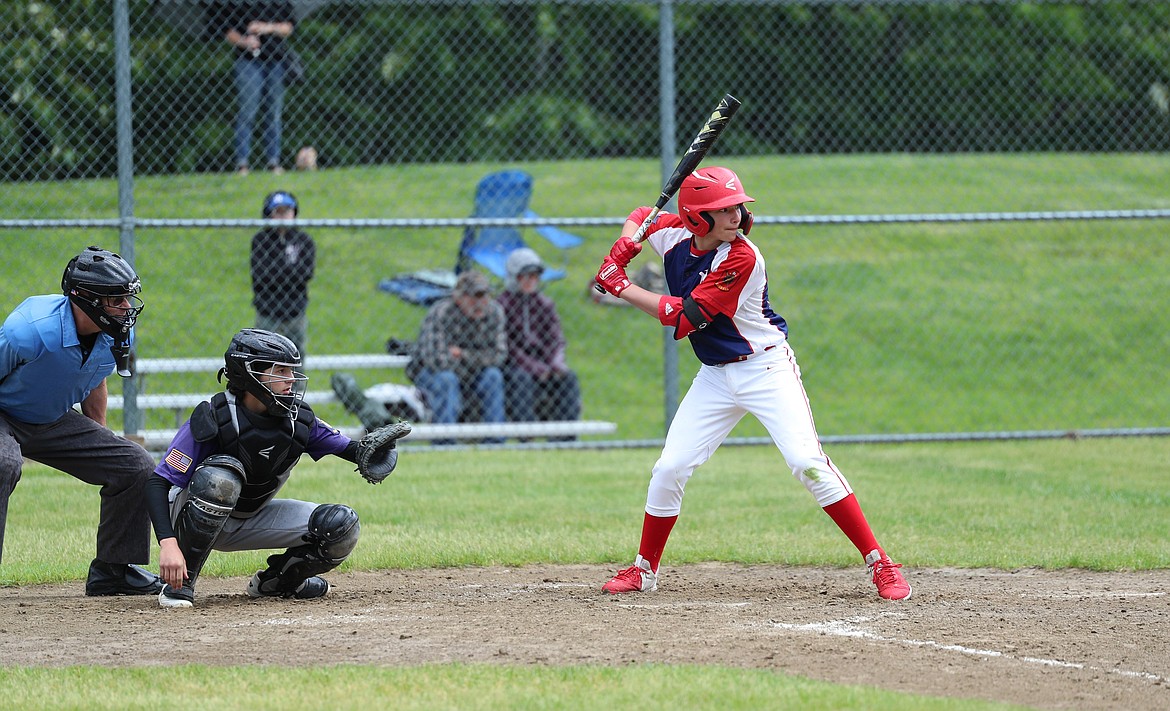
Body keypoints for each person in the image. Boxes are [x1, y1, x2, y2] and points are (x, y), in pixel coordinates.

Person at [594, 166, 912, 601]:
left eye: (737, 207)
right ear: (695, 219)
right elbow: (642, 212)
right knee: (669, 467)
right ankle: (644, 568)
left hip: (766, 370)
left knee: (807, 462)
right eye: (723, 210)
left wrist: (622, 286)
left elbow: (685, 316)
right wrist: (629, 238)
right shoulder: (672, 235)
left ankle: (881, 563)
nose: (736, 215)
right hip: (716, 377)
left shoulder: (742, 257)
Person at [146, 328, 409, 609]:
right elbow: (157, 484)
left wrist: (375, 453)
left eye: (291, 371)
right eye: (281, 371)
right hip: (190, 514)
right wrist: (168, 544)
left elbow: (353, 451)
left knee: (341, 526)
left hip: (250, 517)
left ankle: (277, 583)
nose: (291, 380)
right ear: (250, 373)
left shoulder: (299, 420)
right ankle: (179, 584)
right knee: (220, 479)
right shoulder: (215, 416)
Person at [0, 245, 162, 596]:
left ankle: (113, 571)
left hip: (51, 418)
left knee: (134, 465)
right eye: (117, 299)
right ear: (86, 298)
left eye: (127, 299)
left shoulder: (118, 332)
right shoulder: (29, 329)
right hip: (4, 413)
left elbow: (95, 377)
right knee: (3, 462)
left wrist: (102, 442)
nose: (126, 308)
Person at [406, 271, 506, 441]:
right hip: (430, 373)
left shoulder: (495, 312)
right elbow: (435, 360)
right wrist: (478, 359)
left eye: (484, 296)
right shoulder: (442, 312)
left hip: (472, 374)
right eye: (474, 297)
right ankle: (445, 441)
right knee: (447, 379)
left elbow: (499, 355)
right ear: (458, 297)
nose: (480, 303)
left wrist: (463, 355)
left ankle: (495, 441)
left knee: (493, 376)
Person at [496, 249, 581, 434]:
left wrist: (556, 363)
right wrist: (534, 368)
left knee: (569, 379)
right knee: (521, 379)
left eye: (534, 276)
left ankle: (565, 436)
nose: (531, 281)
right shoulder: (502, 305)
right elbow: (508, 345)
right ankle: (527, 435)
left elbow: (556, 339)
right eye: (525, 276)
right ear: (514, 277)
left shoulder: (544, 305)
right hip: (514, 365)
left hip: (544, 362)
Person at [219, 1, 296, 174]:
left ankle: (273, 161)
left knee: (274, 112)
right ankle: (243, 163)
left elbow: (289, 27)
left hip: (276, 60)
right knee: (247, 111)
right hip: (247, 61)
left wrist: (267, 28)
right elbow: (226, 30)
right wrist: (244, 42)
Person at [251, 190, 316, 358]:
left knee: (295, 358)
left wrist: (277, 270)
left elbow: (306, 273)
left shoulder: (304, 240)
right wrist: (289, 271)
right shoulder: (261, 241)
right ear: (269, 214)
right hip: (268, 311)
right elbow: (260, 275)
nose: (283, 216)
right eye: (278, 211)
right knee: (264, 358)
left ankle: (295, 386)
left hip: (295, 311)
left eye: (287, 211)